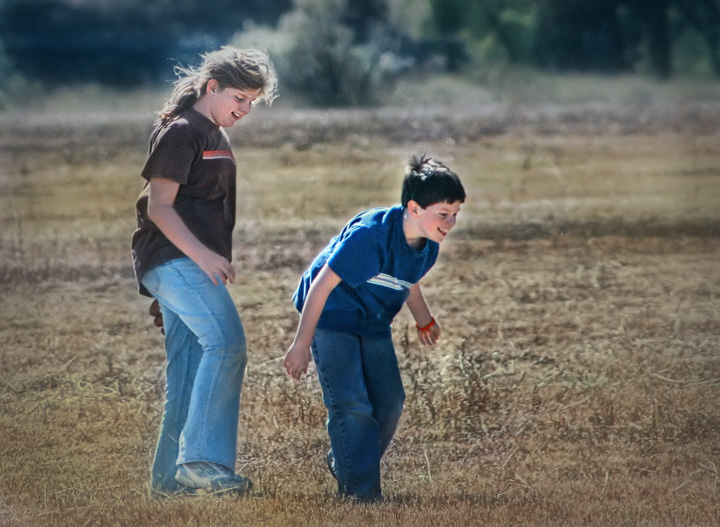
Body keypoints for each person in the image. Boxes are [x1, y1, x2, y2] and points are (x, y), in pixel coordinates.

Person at [131, 47, 277, 496]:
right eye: (239, 97)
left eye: (253, 101)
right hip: (179, 260)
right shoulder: (183, 130)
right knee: (227, 344)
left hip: (181, 267)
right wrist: (201, 258)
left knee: (190, 372)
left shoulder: (213, 132)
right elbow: (159, 207)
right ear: (211, 87)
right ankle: (202, 462)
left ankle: (167, 484)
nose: (245, 109)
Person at [283, 155, 466, 502]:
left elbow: (406, 280)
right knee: (351, 403)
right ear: (413, 208)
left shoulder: (427, 245)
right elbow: (321, 286)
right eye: (444, 214)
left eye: (456, 214)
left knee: (390, 401)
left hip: (372, 319)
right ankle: (360, 495)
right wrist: (301, 344)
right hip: (331, 316)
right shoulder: (369, 237)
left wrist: (423, 318)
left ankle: (348, 460)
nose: (451, 222)